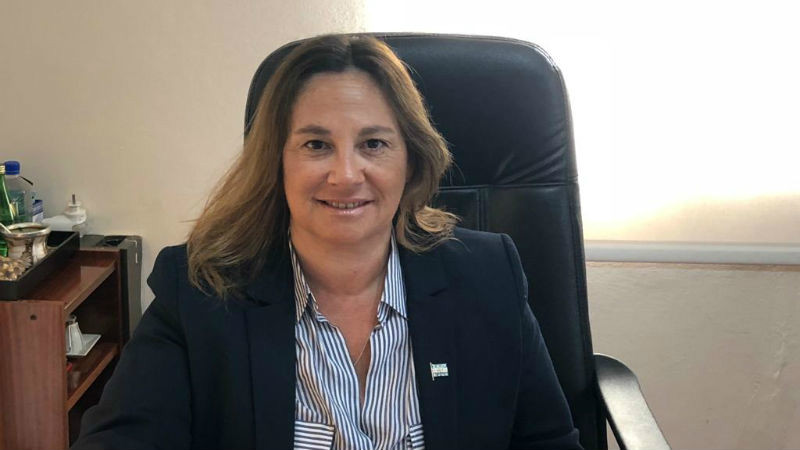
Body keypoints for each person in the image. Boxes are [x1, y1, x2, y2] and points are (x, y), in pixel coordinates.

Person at [73, 34, 582, 450]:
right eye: (316, 144)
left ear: (410, 161)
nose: (346, 174)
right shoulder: (200, 290)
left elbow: (547, 441)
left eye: (373, 144)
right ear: (277, 162)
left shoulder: (488, 276)